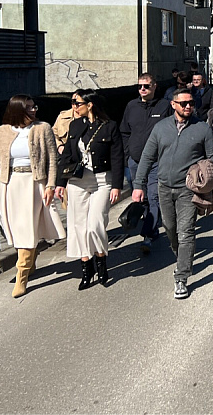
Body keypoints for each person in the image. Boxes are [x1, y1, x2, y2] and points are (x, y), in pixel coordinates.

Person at [133, 88, 213, 299]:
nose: (188, 106)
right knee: (170, 229)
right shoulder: (160, 128)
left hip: (188, 190)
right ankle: (184, 258)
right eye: (183, 103)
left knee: (186, 231)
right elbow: (147, 157)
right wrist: (139, 185)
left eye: (191, 102)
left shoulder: (202, 128)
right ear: (173, 105)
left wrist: (203, 172)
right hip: (163, 187)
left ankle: (181, 277)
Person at [0, 95, 65, 298]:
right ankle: (31, 260)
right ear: (17, 110)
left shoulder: (42, 128)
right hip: (8, 185)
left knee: (27, 227)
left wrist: (51, 185)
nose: (34, 110)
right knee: (18, 228)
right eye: (29, 107)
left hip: (34, 183)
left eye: (34, 106)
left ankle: (21, 275)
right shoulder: (1, 132)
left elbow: (53, 159)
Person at [55, 89, 124, 290]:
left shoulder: (109, 126)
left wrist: (117, 185)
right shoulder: (75, 125)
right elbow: (67, 155)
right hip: (77, 181)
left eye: (77, 103)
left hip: (102, 180)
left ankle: (101, 261)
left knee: (95, 224)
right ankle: (86, 267)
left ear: (90, 104)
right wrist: (60, 183)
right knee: (78, 226)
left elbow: (118, 157)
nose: (74, 106)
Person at [120, 73, 172, 252]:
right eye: (140, 86)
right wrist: (128, 152)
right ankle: (152, 226)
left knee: (153, 196)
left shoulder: (164, 106)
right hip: (135, 160)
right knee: (141, 197)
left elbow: (172, 130)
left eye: (146, 86)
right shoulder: (131, 106)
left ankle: (148, 234)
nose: (142, 89)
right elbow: (124, 131)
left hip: (157, 161)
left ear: (154, 87)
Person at [52, 89, 81, 155]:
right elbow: (53, 134)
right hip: (65, 155)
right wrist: (59, 146)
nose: (75, 104)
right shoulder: (62, 117)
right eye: (73, 101)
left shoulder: (91, 119)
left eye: (78, 102)